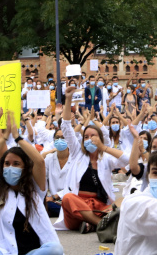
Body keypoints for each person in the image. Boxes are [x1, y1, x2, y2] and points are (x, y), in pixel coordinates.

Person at [0, 112, 63, 255]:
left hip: (33, 253)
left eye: (16, 164)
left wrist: (17, 137)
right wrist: (3, 137)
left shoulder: (35, 189)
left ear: (25, 168)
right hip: (6, 253)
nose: (10, 168)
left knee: (55, 249)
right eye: (7, 164)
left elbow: (39, 161)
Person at [54, 86, 128, 233]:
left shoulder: (106, 158)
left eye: (93, 136)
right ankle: (101, 224)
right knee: (68, 198)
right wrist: (68, 99)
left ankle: (90, 223)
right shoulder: (77, 153)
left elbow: (126, 160)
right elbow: (67, 127)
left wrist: (103, 147)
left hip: (99, 207)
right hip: (78, 207)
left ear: (100, 139)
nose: (89, 139)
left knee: (123, 201)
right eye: (86, 137)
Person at [45, 129, 70, 217]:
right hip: (52, 202)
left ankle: (68, 213)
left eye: (63, 138)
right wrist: (45, 197)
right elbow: (43, 180)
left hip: (70, 199)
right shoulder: (49, 158)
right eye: (57, 138)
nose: (60, 140)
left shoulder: (75, 159)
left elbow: (74, 186)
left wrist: (55, 196)